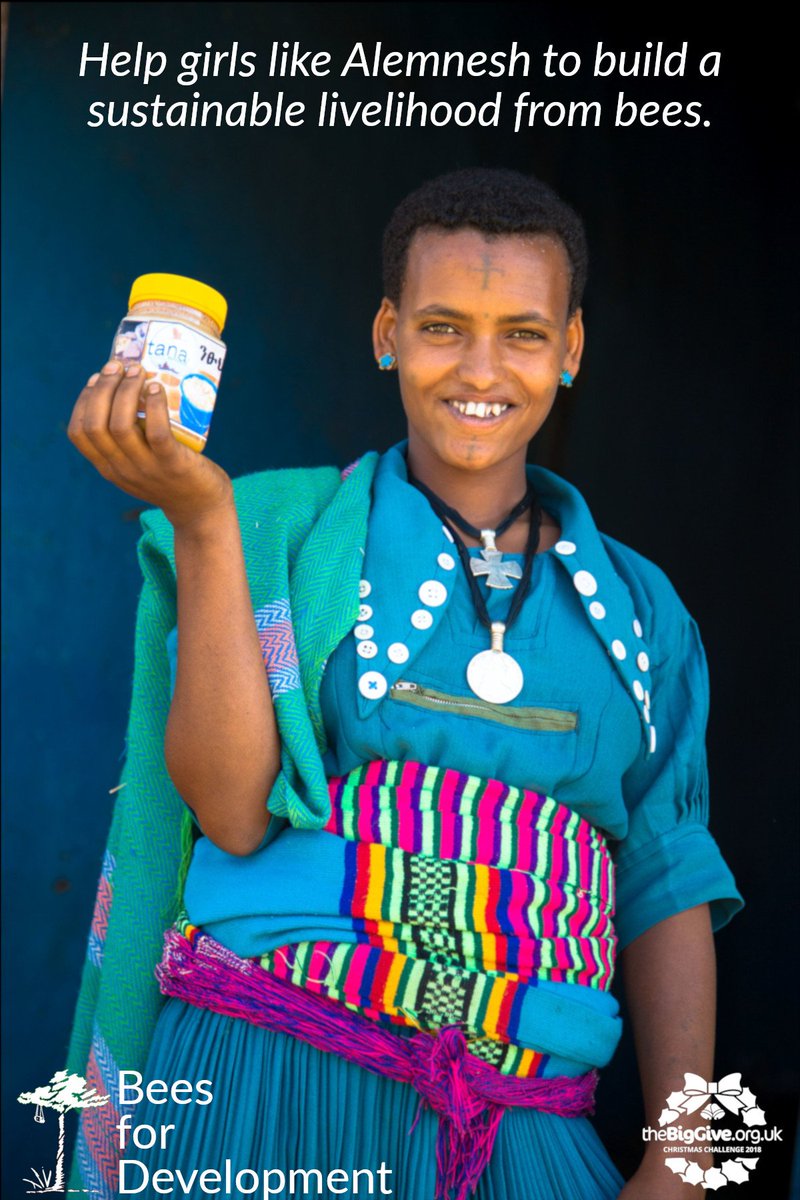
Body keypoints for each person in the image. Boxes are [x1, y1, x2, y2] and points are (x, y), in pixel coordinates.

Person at [66, 168, 742, 1200]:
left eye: (521, 332)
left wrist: (689, 1153)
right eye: (440, 327)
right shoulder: (278, 536)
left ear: (569, 350)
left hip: (524, 1130)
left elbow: (662, 880)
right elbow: (234, 815)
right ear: (387, 333)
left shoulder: (643, 612)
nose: (480, 366)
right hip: (264, 1086)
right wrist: (203, 522)